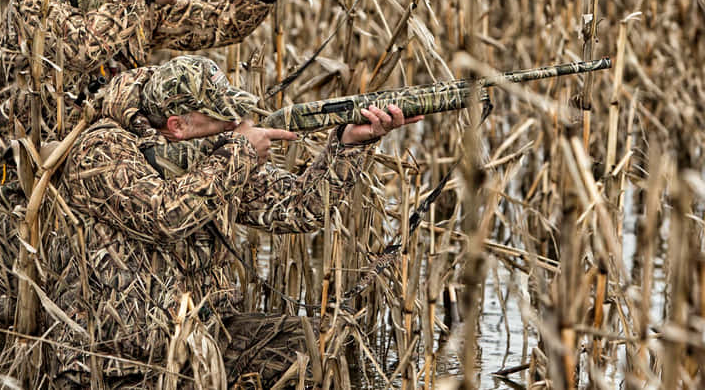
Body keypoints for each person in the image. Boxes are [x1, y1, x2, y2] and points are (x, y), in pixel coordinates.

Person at [0, 0, 315, 328]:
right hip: (11, 180)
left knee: (70, 306)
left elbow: (213, 26)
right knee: (5, 314)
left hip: (89, 168)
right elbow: (78, 50)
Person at [40, 55, 421, 388]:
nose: (236, 123)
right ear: (177, 126)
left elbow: (301, 207)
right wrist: (238, 153)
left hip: (208, 334)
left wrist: (349, 144)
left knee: (321, 346)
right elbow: (164, 216)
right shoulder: (101, 150)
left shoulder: (205, 151)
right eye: (222, 117)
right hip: (122, 357)